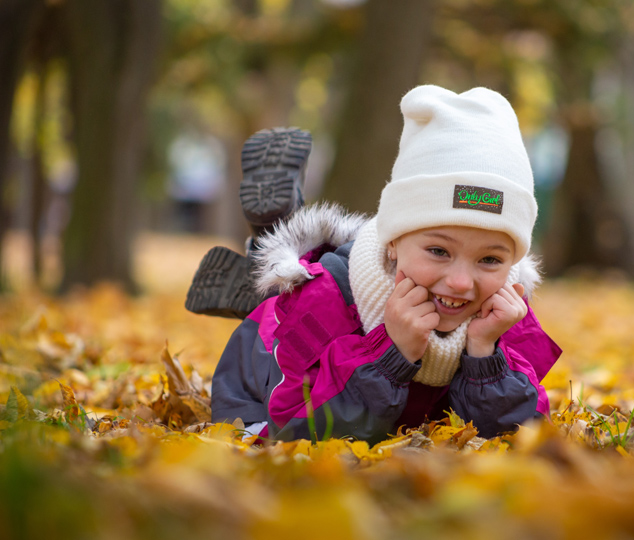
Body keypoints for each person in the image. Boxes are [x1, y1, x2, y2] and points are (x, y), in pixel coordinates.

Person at [204, 85, 562, 444]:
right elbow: (295, 431)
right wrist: (391, 356)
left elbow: (525, 435)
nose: (460, 282)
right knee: (284, 324)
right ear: (393, 241)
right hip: (267, 374)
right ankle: (268, 268)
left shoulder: (504, 311)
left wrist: (485, 357)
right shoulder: (324, 300)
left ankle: (264, 243)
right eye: (438, 251)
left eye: (489, 259)